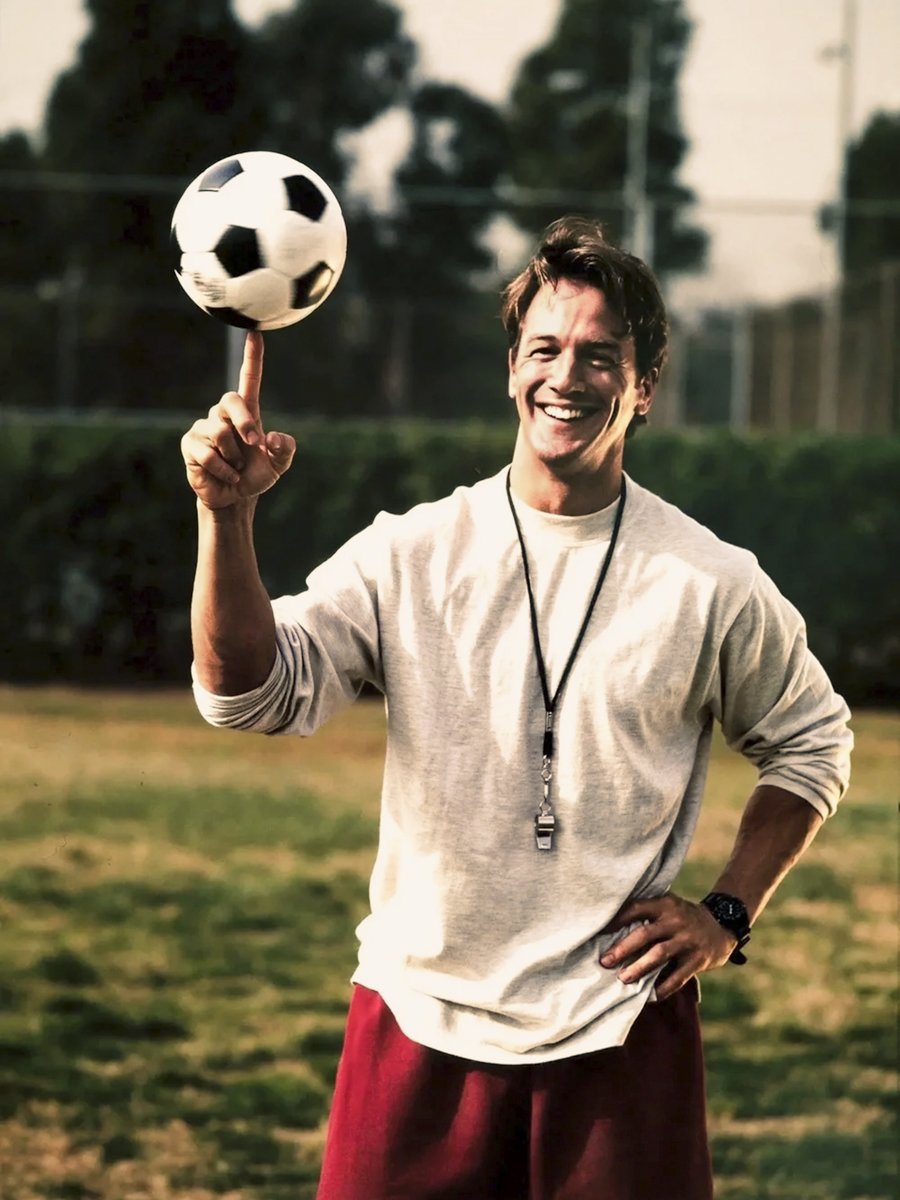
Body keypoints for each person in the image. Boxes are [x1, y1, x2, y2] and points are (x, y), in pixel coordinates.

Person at [181, 216, 852, 1200]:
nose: (566, 376)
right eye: (544, 348)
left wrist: (725, 911)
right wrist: (225, 517)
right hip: (418, 1021)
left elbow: (813, 742)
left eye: (599, 355)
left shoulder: (709, 581)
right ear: (511, 370)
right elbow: (247, 696)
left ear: (644, 385)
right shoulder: (410, 553)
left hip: (618, 1031)